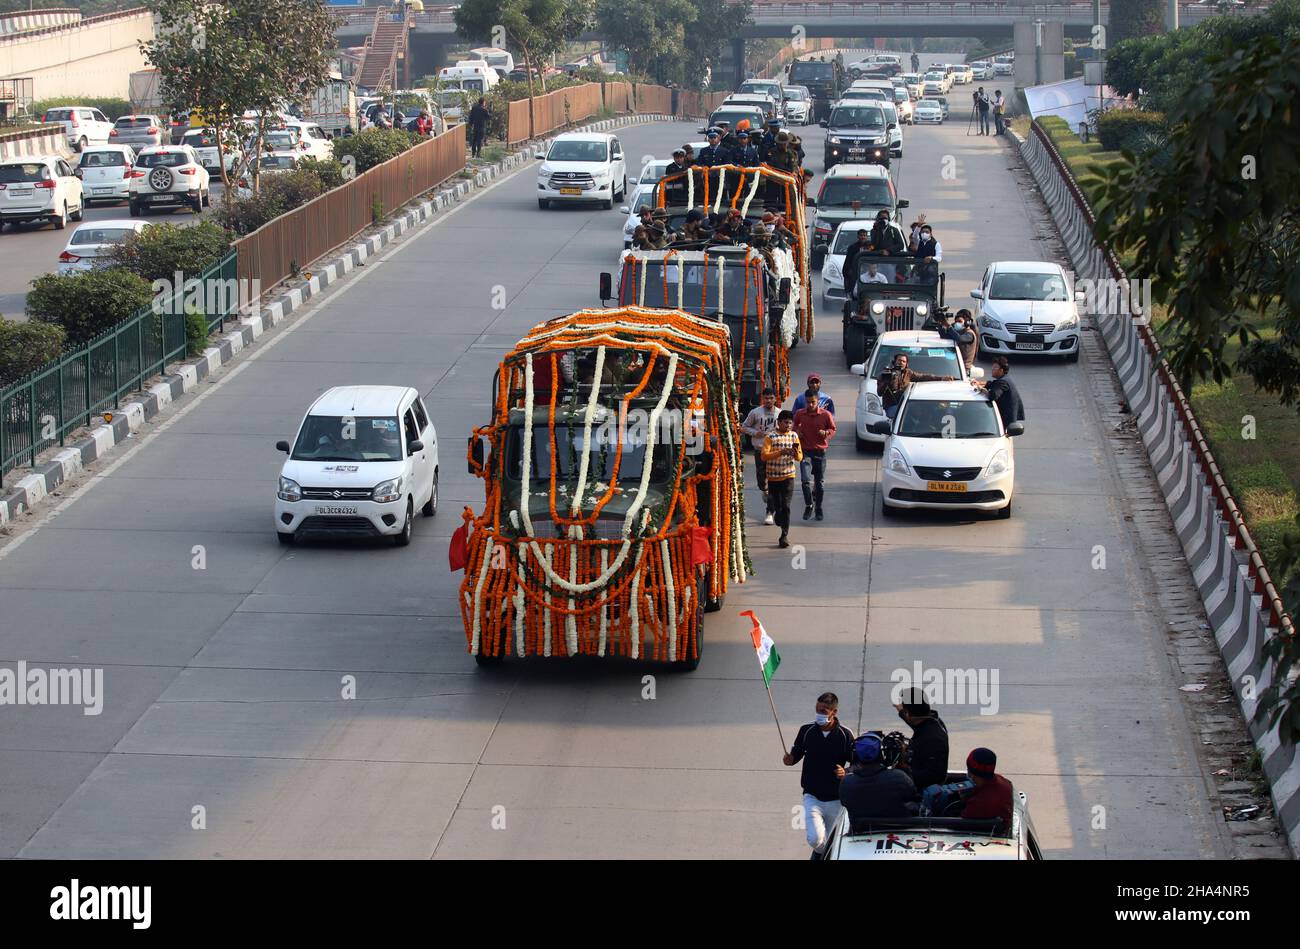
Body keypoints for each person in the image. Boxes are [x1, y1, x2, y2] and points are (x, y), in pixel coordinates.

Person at [783, 691, 856, 858]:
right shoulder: (806, 730)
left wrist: (846, 772)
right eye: (817, 710)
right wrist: (790, 759)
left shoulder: (846, 734)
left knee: (832, 841)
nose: (819, 714)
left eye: (823, 711)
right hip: (812, 795)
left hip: (837, 799)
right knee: (815, 839)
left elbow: (856, 763)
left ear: (834, 712)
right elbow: (797, 751)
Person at [838, 734, 919, 825]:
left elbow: (845, 803)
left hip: (861, 830)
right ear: (882, 754)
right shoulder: (899, 777)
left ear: (854, 756)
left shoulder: (847, 782)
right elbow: (914, 797)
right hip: (899, 827)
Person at [894, 688, 950, 795]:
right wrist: (902, 712)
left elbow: (933, 776)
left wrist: (903, 768)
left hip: (924, 792)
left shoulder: (933, 739)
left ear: (909, 714)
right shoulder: (933, 721)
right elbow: (917, 723)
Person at [760, 409, 802, 548]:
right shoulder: (770, 437)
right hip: (773, 477)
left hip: (788, 476)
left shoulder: (794, 436)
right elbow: (764, 456)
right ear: (779, 422)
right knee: (777, 505)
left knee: (786, 505)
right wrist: (781, 452)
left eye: (790, 423)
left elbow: (800, 458)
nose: (788, 425)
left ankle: (784, 535)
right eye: (785, 422)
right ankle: (778, 516)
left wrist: (795, 453)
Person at [794, 389, 835, 521]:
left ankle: (818, 508)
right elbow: (793, 427)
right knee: (805, 481)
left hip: (819, 452)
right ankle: (809, 505)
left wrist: (826, 433)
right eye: (808, 402)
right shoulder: (800, 414)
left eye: (813, 402)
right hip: (805, 451)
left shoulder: (826, 414)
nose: (810, 405)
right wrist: (797, 433)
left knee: (819, 483)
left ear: (818, 401)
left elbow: (833, 429)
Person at [740, 388, 780, 524]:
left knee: (773, 482)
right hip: (760, 450)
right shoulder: (755, 413)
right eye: (766, 398)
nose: (768, 400)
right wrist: (754, 432)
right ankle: (764, 489)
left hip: (775, 452)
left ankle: (769, 512)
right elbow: (744, 427)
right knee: (762, 480)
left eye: (771, 398)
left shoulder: (780, 414)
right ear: (762, 399)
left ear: (775, 399)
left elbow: (787, 430)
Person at [877, 352, 956, 421]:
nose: (901, 363)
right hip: (892, 405)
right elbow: (879, 393)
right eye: (899, 360)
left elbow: (923, 377)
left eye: (903, 361)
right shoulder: (886, 374)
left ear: (906, 364)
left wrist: (941, 378)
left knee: (926, 412)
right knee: (900, 416)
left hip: (906, 404)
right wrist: (886, 381)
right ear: (894, 362)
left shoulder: (909, 373)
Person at [960, 747, 1015, 832]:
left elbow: (960, 824)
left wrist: (963, 799)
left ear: (972, 775)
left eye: (968, 771)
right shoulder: (1004, 782)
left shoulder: (979, 803)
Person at [976, 355, 1026, 426]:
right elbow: (992, 383)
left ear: (1001, 370)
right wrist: (979, 383)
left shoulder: (1002, 382)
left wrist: (981, 389)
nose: (992, 369)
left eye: (995, 368)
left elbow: (992, 395)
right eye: (992, 367)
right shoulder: (1004, 379)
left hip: (1006, 418)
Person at [841, 228, 873, 296]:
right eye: (861, 235)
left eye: (864, 235)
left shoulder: (871, 246)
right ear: (858, 236)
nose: (863, 237)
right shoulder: (852, 247)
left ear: (867, 236)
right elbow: (848, 261)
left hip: (868, 271)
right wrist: (848, 272)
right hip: (856, 272)